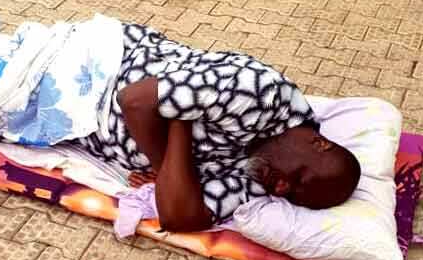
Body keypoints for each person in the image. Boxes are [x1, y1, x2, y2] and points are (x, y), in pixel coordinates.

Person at [71, 24, 361, 232]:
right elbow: (134, 100)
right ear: (320, 144)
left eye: (292, 195)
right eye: (298, 176)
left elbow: (178, 218)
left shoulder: (263, 177)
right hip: (94, 65)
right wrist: (165, 171)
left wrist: (179, 117)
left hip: (76, 124)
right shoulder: (259, 95)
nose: (283, 187)